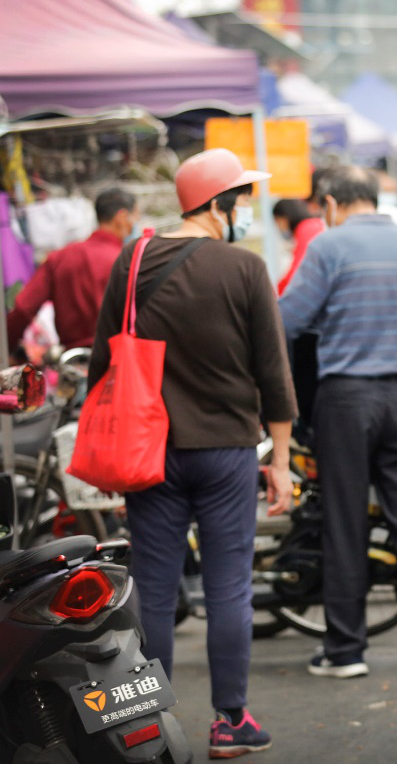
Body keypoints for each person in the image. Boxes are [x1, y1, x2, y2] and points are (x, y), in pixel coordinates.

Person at [87, 149, 296, 759]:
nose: (246, 209)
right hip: (228, 451)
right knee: (229, 587)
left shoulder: (133, 262)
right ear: (217, 203)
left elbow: (103, 360)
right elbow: (274, 377)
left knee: (153, 587)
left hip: (148, 452)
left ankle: (149, 725)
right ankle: (230, 722)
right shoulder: (244, 268)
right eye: (241, 198)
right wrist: (279, 460)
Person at [278, 165, 397, 678]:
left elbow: (288, 320)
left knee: (344, 522)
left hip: (346, 399)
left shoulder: (327, 248)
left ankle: (346, 651)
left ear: (328, 204)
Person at [6, 188, 138, 354]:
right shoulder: (128, 260)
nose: (135, 224)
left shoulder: (61, 257)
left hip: (72, 361)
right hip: (117, 358)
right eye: (135, 217)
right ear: (121, 217)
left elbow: (24, 308)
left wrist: (7, 349)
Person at [273, 197, 326, 296]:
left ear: (284, 218)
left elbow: (297, 271)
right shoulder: (313, 225)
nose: (278, 227)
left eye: (277, 222)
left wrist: (275, 292)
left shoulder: (307, 228)